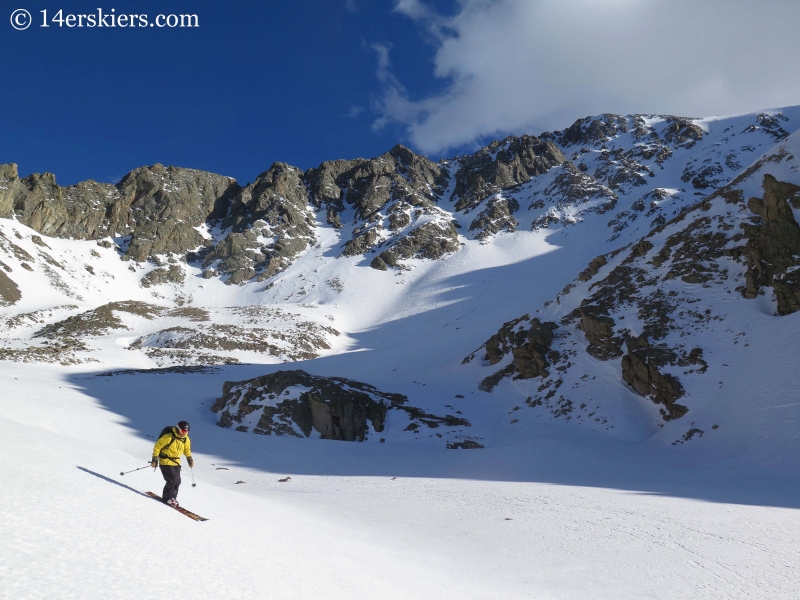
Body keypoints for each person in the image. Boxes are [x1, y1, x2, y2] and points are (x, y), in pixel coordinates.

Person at [151, 420, 194, 507]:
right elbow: (157, 446)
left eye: (186, 432)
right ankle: (167, 497)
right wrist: (154, 459)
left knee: (178, 481)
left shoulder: (186, 439)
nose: (184, 433)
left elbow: (187, 450)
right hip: (165, 460)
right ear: (178, 429)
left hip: (176, 462)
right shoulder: (169, 437)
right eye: (183, 431)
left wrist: (189, 459)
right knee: (172, 479)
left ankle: (173, 498)